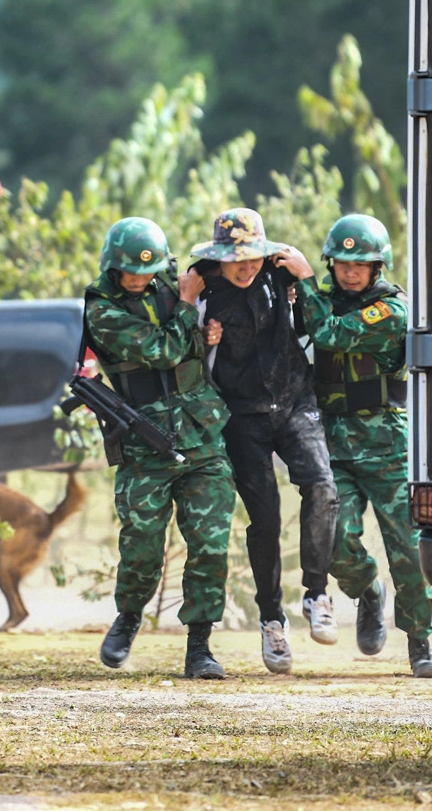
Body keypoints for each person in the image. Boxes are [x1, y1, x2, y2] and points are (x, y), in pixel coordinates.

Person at [83, 216, 235, 679]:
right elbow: (164, 349)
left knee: (209, 545)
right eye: (130, 271)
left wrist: (209, 330)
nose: (139, 278)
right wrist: (189, 312)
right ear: (112, 268)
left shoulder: (177, 287)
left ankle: (200, 647)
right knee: (142, 546)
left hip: (202, 435)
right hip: (144, 440)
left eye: (147, 270)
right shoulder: (102, 311)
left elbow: (233, 279)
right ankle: (129, 616)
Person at [190, 208, 340, 675]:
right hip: (242, 415)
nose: (246, 266)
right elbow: (179, 343)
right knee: (266, 518)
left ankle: (316, 593)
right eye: (237, 259)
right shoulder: (205, 285)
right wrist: (198, 323)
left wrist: (308, 277)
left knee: (322, 487)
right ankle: (272, 619)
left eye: (252, 257)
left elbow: (320, 328)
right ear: (220, 257)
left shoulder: (281, 272)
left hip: (295, 401)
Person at [296, 213, 432, 679]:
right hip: (333, 443)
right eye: (342, 263)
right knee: (334, 541)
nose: (351, 271)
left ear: (379, 266)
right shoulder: (319, 301)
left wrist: (303, 280)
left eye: (362, 264)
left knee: (409, 547)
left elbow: (330, 335)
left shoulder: (391, 309)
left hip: (386, 444)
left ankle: (420, 643)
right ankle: (368, 590)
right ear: (332, 263)